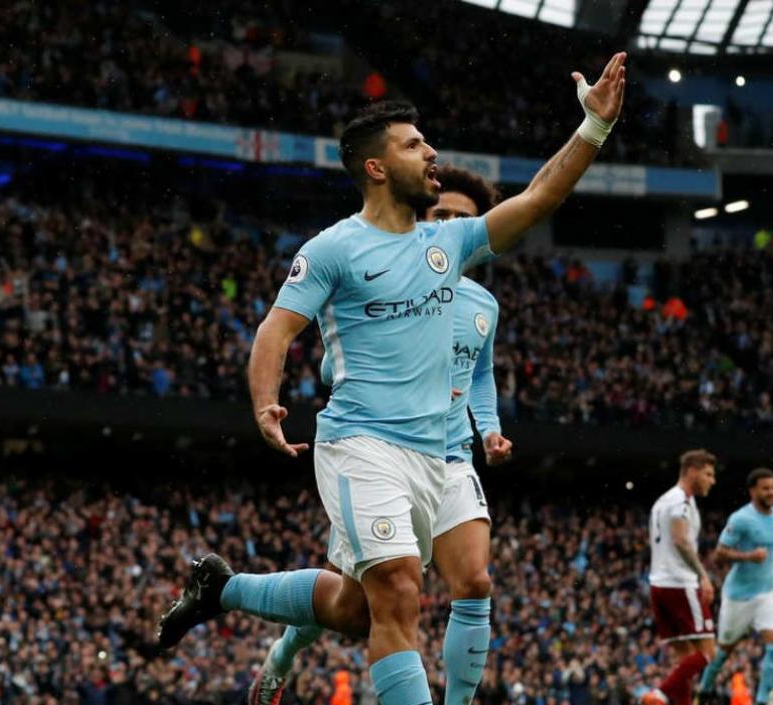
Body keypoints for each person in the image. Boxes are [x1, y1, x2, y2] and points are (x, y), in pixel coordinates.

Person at [157, 54, 628, 705]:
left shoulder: (450, 246)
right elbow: (275, 330)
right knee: (401, 590)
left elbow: (540, 196)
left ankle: (223, 588)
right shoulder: (334, 248)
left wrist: (594, 128)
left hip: (436, 459)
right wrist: (266, 401)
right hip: (362, 445)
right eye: (413, 145)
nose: (431, 153)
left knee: (356, 611)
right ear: (376, 168)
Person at [249, 165, 513, 705]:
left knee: (476, 582)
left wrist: (489, 428)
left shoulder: (483, 305)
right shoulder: (385, 274)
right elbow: (336, 354)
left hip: (451, 456)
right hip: (378, 451)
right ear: (423, 218)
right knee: (350, 605)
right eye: (442, 214)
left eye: (463, 218)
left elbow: (480, 372)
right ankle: (283, 650)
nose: (451, 225)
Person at [698, 468, 773, 705]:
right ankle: (705, 689)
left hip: (768, 592)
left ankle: (762, 700)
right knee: (724, 650)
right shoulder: (740, 519)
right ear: (753, 491)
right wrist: (748, 556)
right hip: (739, 595)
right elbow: (718, 555)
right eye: (766, 488)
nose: (771, 492)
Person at [643, 449, 718, 705]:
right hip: (680, 584)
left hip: (658, 585)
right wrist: (703, 576)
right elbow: (680, 540)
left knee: (685, 658)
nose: (712, 481)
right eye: (708, 474)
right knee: (708, 653)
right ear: (692, 471)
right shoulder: (680, 502)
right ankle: (659, 694)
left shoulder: (663, 501)